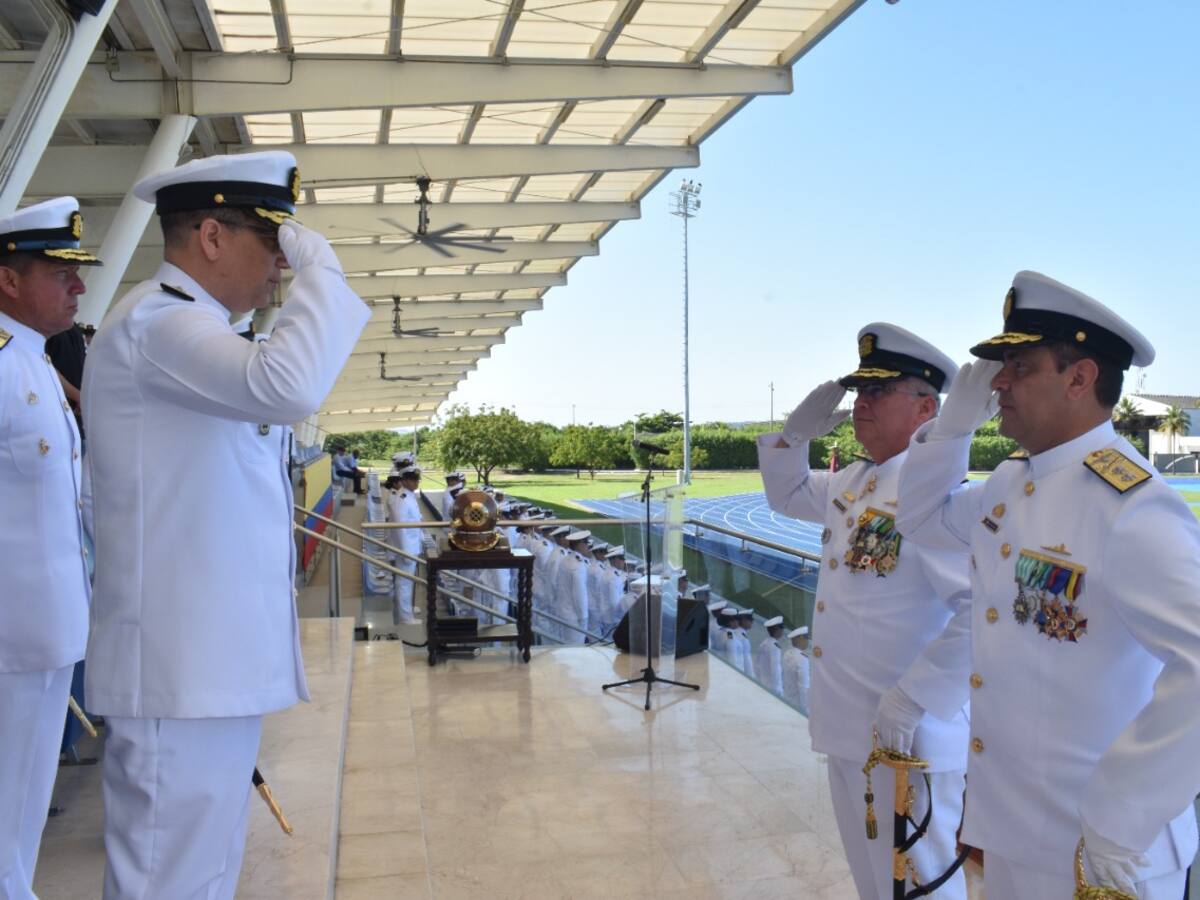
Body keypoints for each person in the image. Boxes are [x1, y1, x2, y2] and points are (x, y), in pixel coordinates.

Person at [82, 150, 370, 899]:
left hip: (208, 668)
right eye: (272, 245)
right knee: (167, 880)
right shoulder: (158, 324)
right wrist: (324, 273)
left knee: (202, 876)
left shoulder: (194, 330)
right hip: (179, 670)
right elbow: (289, 386)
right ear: (211, 236)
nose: (280, 268)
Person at [896, 271, 1200, 899]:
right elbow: (921, 518)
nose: (999, 382)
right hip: (1017, 831)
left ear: (1080, 377)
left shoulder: (1130, 507)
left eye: (1019, 365)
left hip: (1103, 854)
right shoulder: (1012, 484)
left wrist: (1124, 814)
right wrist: (951, 431)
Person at [756, 322, 971, 899]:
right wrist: (792, 435)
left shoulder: (934, 497)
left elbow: (977, 610)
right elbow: (785, 495)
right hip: (851, 724)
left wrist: (914, 700)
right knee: (874, 881)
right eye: (859, 392)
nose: (860, 405)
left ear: (926, 407)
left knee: (923, 884)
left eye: (879, 392)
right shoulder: (855, 481)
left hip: (908, 737)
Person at [0, 196, 101, 897]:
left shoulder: (34, 365)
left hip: (45, 636)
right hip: (7, 641)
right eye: (61, 272)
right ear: (8, 278)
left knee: (20, 815)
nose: (80, 286)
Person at [386, 466, 433, 626]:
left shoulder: (409, 496)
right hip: (406, 548)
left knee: (407, 582)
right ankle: (405, 618)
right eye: (413, 480)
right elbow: (399, 527)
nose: (416, 482)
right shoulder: (402, 498)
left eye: (417, 480)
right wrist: (405, 551)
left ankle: (407, 612)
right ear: (404, 480)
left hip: (412, 545)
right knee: (404, 583)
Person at [780, 626, 811, 713]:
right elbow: (804, 687)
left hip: (787, 700)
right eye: (806, 638)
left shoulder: (786, 654)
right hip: (798, 705)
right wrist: (806, 710)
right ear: (800, 638)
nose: (807, 641)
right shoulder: (802, 659)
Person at [753, 615, 786, 695]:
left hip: (764, 685)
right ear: (777, 629)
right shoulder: (775, 647)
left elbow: (757, 667)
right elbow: (776, 670)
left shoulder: (764, 644)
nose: (783, 631)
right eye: (781, 628)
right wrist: (778, 690)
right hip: (773, 689)